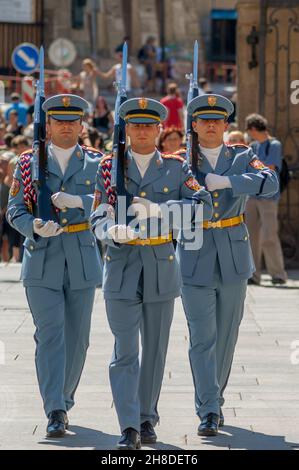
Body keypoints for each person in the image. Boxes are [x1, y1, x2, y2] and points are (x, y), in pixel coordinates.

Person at [91, 97, 212, 450]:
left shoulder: (176, 169)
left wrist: (161, 209)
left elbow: (201, 205)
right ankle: (128, 425)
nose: (142, 131)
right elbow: (99, 210)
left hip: (160, 264)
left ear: (160, 130)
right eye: (135, 125)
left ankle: (147, 417)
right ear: (125, 130)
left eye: (148, 125)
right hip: (121, 266)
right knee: (125, 350)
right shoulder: (109, 167)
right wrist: (109, 230)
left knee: (156, 350)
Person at [176, 94, 278, 437]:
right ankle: (207, 408)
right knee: (201, 336)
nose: (210, 125)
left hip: (233, 254)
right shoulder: (180, 162)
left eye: (216, 120)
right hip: (195, 252)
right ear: (193, 126)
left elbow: (271, 183)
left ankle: (214, 397)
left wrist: (232, 182)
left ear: (225, 126)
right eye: (203, 120)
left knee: (226, 335)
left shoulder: (243, 156)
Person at [7, 94, 103, 438]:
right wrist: (31, 225)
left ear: (81, 125)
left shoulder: (97, 162)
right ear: (47, 126)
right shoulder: (28, 161)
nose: (65, 126)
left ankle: (65, 397)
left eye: (72, 121)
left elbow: (113, 202)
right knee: (50, 335)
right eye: (58, 121)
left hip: (81, 252)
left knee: (78, 340)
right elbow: (15, 208)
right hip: (42, 256)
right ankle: (55, 408)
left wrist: (81, 202)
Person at [245, 113, 287, 285]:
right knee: (251, 236)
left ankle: (278, 274)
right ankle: (254, 275)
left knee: (269, 234)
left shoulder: (274, 144)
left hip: (268, 196)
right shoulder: (252, 146)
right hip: (252, 196)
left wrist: (255, 166)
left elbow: (270, 167)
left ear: (253, 129)